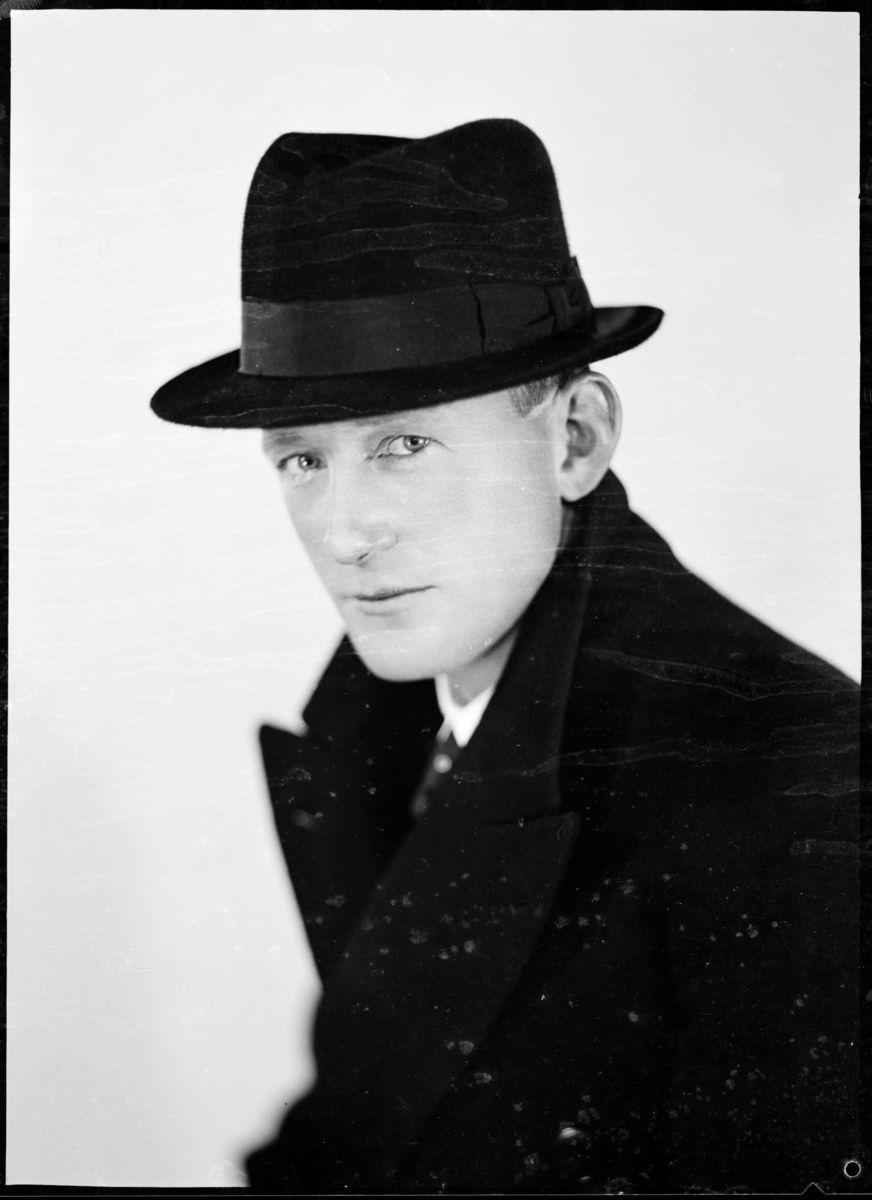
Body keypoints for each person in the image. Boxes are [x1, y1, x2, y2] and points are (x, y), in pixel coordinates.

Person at [150, 119, 861, 1194]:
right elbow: (364, 1124)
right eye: (300, 459)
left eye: (403, 444)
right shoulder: (390, 723)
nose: (344, 532)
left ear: (575, 439)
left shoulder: (792, 778)